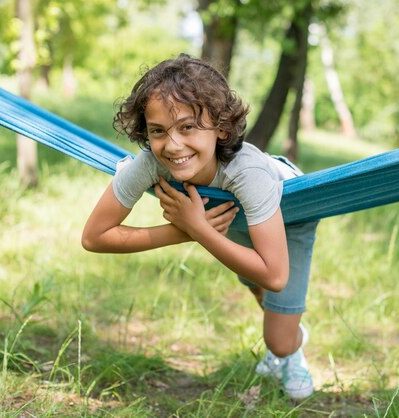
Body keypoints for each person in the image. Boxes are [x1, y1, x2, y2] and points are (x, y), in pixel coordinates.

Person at [81, 54, 318, 400]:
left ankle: (293, 349)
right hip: (230, 217)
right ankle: (283, 321)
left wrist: (200, 229)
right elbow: (93, 237)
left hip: (291, 212)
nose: (172, 145)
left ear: (220, 127)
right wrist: (183, 230)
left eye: (188, 127)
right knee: (256, 287)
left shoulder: (246, 172)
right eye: (158, 131)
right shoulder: (151, 162)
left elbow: (276, 274)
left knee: (279, 340)